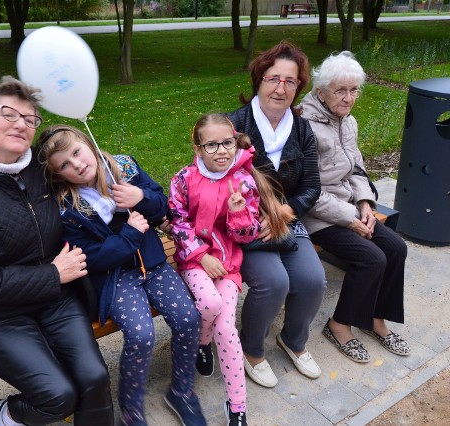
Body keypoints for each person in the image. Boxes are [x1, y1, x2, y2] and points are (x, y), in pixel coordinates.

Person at [0, 76, 114, 426]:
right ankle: (7, 414)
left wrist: (141, 201)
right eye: (9, 114)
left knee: (94, 378)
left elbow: (90, 179)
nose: (21, 124)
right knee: (58, 396)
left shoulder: (39, 168)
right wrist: (53, 274)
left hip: (55, 297)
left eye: (30, 119)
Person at [37, 125, 206, 426]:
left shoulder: (123, 167)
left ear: (88, 144)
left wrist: (140, 196)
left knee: (188, 317)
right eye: (64, 164)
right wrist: (128, 236)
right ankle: (131, 407)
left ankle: (181, 390)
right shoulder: (67, 207)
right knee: (141, 335)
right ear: (59, 174)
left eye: (77, 152)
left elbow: (161, 208)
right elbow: (89, 257)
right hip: (115, 278)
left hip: (153, 264)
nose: (76, 164)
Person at [169, 113, 294, 425]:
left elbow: (247, 235)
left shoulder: (244, 182)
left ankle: (237, 407)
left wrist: (239, 214)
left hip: (229, 264)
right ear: (198, 149)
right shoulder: (183, 179)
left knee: (227, 329)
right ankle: (201, 343)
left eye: (227, 142)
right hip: (195, 260)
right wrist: (199, 255)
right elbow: (178, 222)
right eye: (211, 145)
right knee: (208, 304)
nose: (222, 150)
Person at [226, 41, 327, 388]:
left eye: (291, 81)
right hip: (244, 228)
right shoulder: (233, 127)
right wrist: (255, 219)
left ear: (299, 87)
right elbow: (215, 187)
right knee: (274, 282)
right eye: (273, 79)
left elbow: (312, 187)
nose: (280, 88)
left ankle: (294, 341)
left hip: (286, 222)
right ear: (259, 80)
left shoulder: (302, 129)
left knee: (314, 281)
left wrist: (283, 213)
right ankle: (251, 349)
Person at [300, 51, 410, 362]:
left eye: (354, 90)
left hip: (349, 206)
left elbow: (358, 169)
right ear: (321, 92)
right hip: (316, 214)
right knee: (371, 258)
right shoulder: (304, 126)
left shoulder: (348, 122)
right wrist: (351, 217)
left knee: (396, 248)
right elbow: (307, 189)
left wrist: (364, 203)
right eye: (341, 90)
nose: (349, 98)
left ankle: (376, 319)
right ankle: (339, 325)